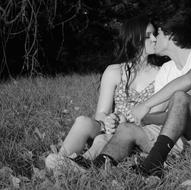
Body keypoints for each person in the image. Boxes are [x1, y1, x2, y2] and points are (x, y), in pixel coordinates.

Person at [89, 11, 191, 178]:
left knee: (180, 97)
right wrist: (131, 118)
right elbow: (158, 115)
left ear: (170, 35)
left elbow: (190, 79)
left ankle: (152, 165)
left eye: (156, 33)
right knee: (127, 129)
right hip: (181, 141)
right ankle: (96, 167)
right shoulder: (167, 70)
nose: (153, 39)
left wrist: (145, 105)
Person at [45, 14, 164, 171]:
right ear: (134, 38)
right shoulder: (114, 71)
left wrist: (123, 124)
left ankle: (81, 165)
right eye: (148, 36)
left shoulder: (162, 73)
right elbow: (101, 113)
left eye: (155, 34)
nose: (155, 39)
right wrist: (109, 120)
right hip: (110, 128)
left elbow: (157, 117)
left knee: (104, 137)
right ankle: (63, 160)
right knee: (82, 121)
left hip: (136, 132)